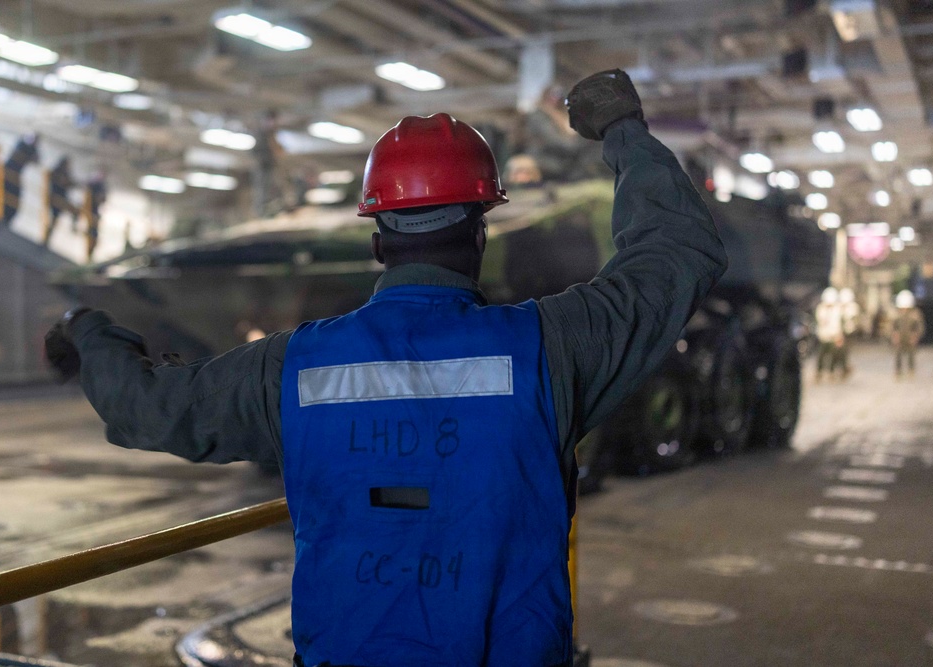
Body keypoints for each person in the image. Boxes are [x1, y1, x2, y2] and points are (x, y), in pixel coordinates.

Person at [44, 70, 726, 666]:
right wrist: (623, 131)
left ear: (377, 241)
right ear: (482, 235)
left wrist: (87, 329)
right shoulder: (548, 352)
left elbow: (145, 407)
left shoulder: (294, 368)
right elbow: (677, 253)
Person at [43, 156, 78, 245]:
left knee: (54, 220)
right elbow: (64, 182)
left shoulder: (62, 172)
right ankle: (73, 228)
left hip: (59, 199)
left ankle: (46, 240)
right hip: (57, 199)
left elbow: (69, 182)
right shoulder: (58, 172)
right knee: (75, 211)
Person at [891, 289, 925, 378]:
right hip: (899, 336)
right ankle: (898, 371)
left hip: (910, 336)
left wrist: (916, 336)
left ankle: (911, 370)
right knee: (898, 354)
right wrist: (894, 335)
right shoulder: (896, 313)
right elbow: (892, 326)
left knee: (911, 354)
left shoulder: (915, 313)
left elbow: (919, 326)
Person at [815, 286, 844, 382]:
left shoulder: (837, 310)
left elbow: (838, 324)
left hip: (833, 336)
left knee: (833, 355)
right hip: (824, 336)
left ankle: (831, 372)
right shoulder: (821, 309)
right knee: (821, 355)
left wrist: (838, 336)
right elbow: (821, 321)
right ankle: (819, 372)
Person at [836, 287, 860, 378]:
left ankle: (844, 368)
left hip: (848, 333)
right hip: (838, 333)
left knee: (844, 352)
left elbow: (855, 322)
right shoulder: (838, 308)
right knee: (839, 352)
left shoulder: (853, 308)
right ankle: (842, 368)